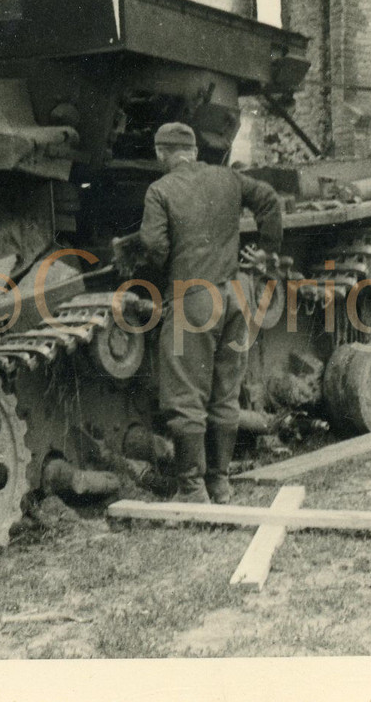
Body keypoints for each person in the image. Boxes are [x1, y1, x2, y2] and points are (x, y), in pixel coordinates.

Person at [137, 122, 281, 504]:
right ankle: (220, 483)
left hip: (193, 298)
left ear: (160, 154)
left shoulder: (160, 190)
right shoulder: (229, 179)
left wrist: (164, 268)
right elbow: (268, 199)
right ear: (195, 151)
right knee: (225, 395)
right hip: (236, 296)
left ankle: (192, 490)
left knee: (186, 397)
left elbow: (154, 245)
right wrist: (267, 248)